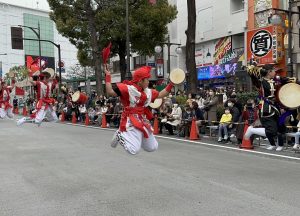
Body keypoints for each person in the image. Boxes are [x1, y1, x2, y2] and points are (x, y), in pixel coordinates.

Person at [105, 65, 175, 155]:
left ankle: (136, 138)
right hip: (130, 120)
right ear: (140, 81)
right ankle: (120, 135)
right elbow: (110, 91)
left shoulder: (147, 92)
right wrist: (108, 76)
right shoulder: (128, 89)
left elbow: (161, 94)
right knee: (134, 150)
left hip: (142, 119)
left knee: (152, 147)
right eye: (147, 80)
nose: (148, 82)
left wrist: (172, 84)